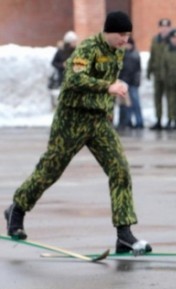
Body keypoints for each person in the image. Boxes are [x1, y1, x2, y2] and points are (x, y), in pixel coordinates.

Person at [4, 11, 152, 255]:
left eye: (128, 35)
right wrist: (108, 87)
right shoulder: (87, 48)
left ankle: (124, 234)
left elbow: (108, 87)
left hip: (97, 121)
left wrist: (109, 105)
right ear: (109, 32)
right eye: (121, 34)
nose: (125, 39)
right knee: (50, 170)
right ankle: (17, 210)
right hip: (72, 119)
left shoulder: (117, 52)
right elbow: (74, 78)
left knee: (120, 169)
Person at [147, 18, 172, 130]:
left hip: (168, 74)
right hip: (157, 73)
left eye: (166, 27)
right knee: (157, 98)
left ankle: (171, 120)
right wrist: (149, 70)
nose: (164, 29)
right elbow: (152, 56)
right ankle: (159, 120)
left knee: (170, 98)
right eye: (162, 27)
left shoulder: (172, 40)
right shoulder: (155, 40)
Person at [117, 37, 143, 130]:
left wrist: (136, 81)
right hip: (124, 82)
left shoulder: (135, 55)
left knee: (135, 103)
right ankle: (126, 122)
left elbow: (138, 70)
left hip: (132, 83)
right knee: (124, 104)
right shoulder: (122, 55)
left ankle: (139, 122)